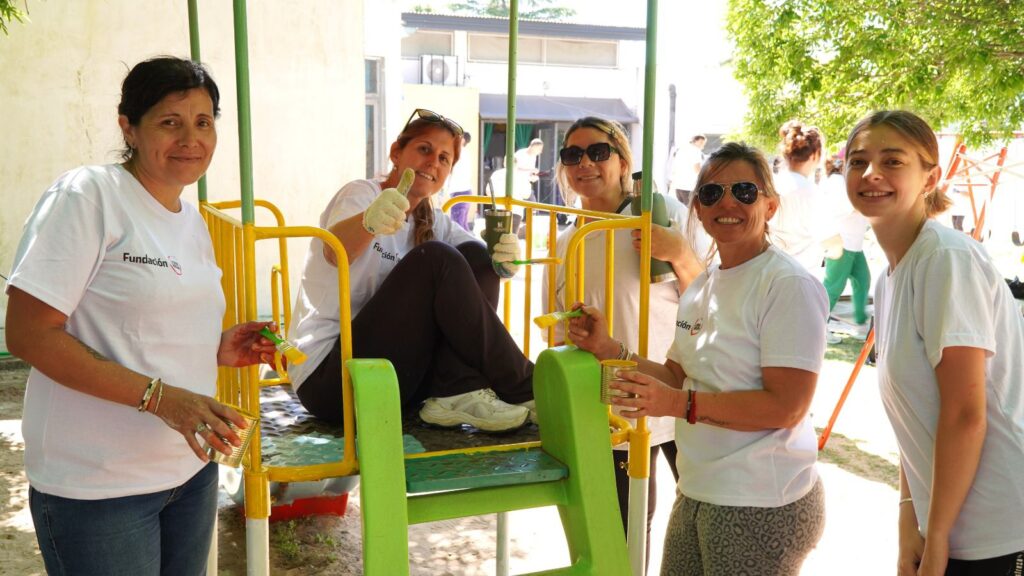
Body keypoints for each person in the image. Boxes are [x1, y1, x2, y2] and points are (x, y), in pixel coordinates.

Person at [4, 56, 277, 575]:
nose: (191, 139)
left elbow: (138, 326)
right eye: (169, 122)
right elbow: (29, 334)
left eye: (203, 122)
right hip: (98, 487)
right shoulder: (88, 195)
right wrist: (162, 400)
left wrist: (216, 346)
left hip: (189, 474)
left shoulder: (190, 219)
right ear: (127, 126)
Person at [568, 142, 828, 575]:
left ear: (771, 206)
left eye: (744, 191)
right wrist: (610, 350)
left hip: (759, 500)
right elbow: (676, 374)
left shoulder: (786, 285)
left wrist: (678, 405)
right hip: (698, 490)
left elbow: (786, 407)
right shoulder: (704, 284)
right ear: (699, 212)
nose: (727, 203)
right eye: (711, 194)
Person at [844, 110, 1024, 575]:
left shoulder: (945, 259)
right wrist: (912, 520)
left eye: (893, 161)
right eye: (857, 160)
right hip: (948, 523)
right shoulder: (889, 279)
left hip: (997, 528)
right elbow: (915, 420)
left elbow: (966, 413)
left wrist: (939, 534)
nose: (871, 174)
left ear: (931, 177)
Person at [288, 108, 535, 432]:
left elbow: (482, 265)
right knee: (435, 258)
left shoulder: (432, 221)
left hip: (396, 373)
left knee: (478, 255)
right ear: (396, 153)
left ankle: (457, 389)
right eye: (424, 149)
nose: (433, 161)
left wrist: (504, 260)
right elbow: (335, 252)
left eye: (445, 158)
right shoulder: (361, 194)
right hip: (331, 378)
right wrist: (367, 223)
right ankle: (526, 386)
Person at [542, 116, 705, 569]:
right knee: (630, 524)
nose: (585, 164)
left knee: (707, 512)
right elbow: (555, 333)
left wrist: (680, 254)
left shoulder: (661, 216)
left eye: (597, 152)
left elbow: (710, 300)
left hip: (680, 386)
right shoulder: (564, 240)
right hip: (613, 404)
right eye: (572, 154)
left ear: (622, 161)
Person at [821, 152, 871, 334]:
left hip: (854, 244)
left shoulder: (842, 181)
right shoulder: (836, 182)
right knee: (833, 287)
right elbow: (843, 208)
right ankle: (819, 325)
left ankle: (860, 324)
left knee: (863, 282)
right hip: (841, 243)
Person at [771, 120, 829, 272]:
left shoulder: (770, 187)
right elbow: (831, 240)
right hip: (803, 276)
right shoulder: (813, 192)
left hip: (770, 272)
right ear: (815, 155)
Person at [512, 137, 544, 233]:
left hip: (525, 185)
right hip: (516, 186)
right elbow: (514, 168)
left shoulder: (533, 156)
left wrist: (533, 176)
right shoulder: (520, 154)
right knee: (518, 209)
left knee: (533, 206)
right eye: (540, 149)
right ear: (534, 147)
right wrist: (530, 171)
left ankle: (529, 228)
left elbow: (528, 172)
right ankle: (518, 230)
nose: (541, 152)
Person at [445, 131, 476, 232]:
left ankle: (463, 247)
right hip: (465, 190)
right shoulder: (466, 153)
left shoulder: (458, 152)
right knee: (462, 223)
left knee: (458, 224)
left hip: (459, 191)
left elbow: (450, 171)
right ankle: (470, 245)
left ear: (463, 140)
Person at [668, 134, 706, 206]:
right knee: (689, 211)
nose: (702, 146)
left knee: (682, 209)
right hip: (688, 186)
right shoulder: (696, 151)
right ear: (695, 141)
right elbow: (697, 169)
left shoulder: (682, 149)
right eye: (701, 143)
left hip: (678, 185)